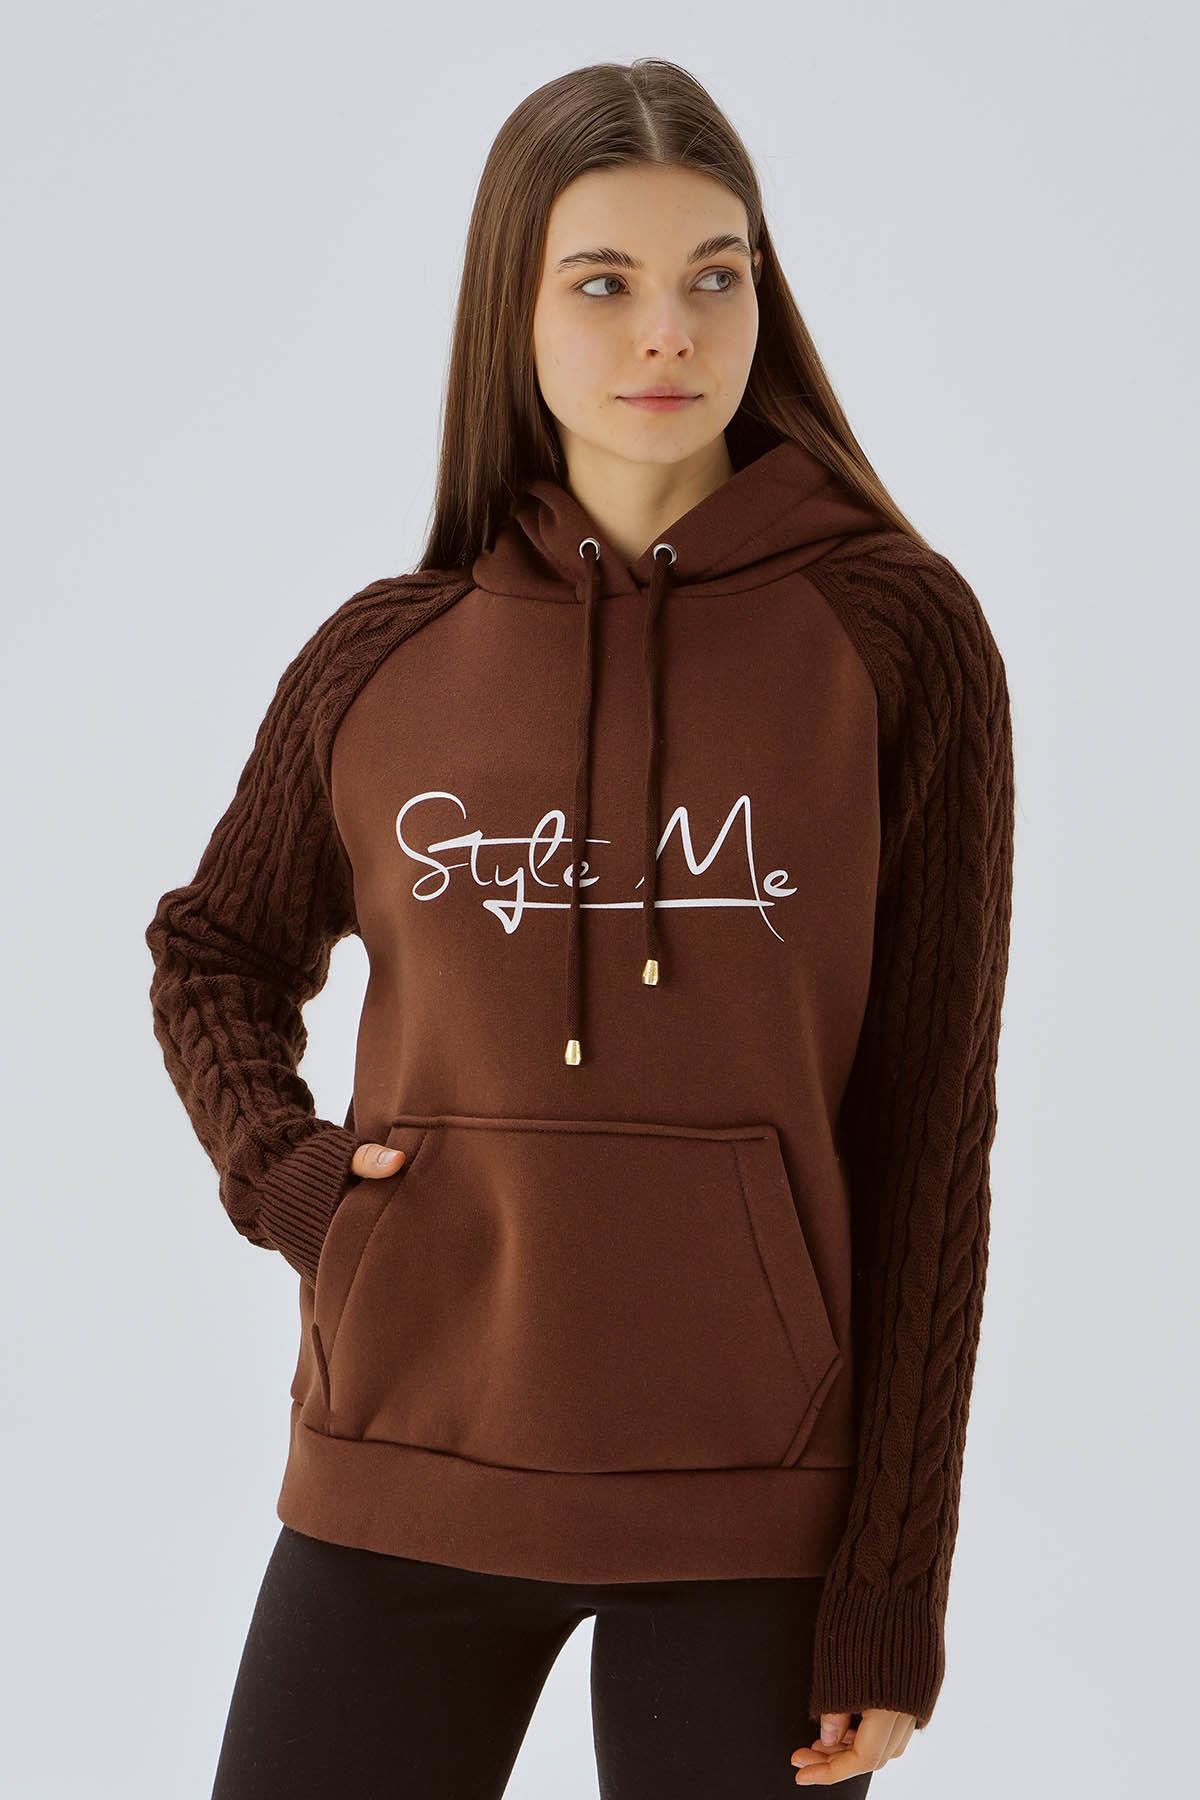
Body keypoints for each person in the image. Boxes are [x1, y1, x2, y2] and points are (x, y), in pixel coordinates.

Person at [144, 56, 1015, 1799]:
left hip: (756, 1505)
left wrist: (891, 1594)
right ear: (515, 313)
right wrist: (290, 1178)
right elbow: (214, 950)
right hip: (406, 1453)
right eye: (603, 283)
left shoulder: (895, 638)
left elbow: (931, 1128)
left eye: (716, 275)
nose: (670, 332)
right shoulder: (386, 655)